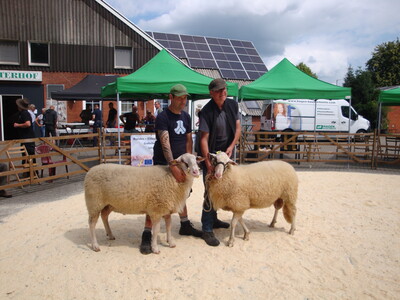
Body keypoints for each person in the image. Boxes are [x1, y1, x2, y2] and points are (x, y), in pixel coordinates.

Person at [139, 84, 202, 255]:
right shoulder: (163, 117)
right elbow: (165, 144)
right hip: (163, 163)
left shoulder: (187, 117)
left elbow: (188, 140)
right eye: (180, 97)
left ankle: (185, 224)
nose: (183, 101)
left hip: (182, 163)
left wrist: (188, 163)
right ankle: (147, 232)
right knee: (156, 199)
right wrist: (173, 166)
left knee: (181, 194)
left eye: (185, 98)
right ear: (171, 97)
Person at [198, 78, 241, 247]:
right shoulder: (206, 111)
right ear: (211, 93)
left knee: (223, 188)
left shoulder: (232, 105)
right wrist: (208, 162)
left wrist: (231, 146)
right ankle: (207, 229)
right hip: (211, 153)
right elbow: (203, 139)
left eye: (224, 89)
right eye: (219, 90)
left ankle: (214, 220)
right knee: (210, 191)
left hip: (226, 154)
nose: (223, 92)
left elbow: (238, 129)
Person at [13, 98, 36, 165]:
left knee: (29, 155)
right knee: (26, 155)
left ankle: (32, 172)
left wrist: (18, 125)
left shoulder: (25, 113)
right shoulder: (22, 113)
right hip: (25, 138)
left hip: (28, 138)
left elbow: (28, 124)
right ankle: (28, 172)